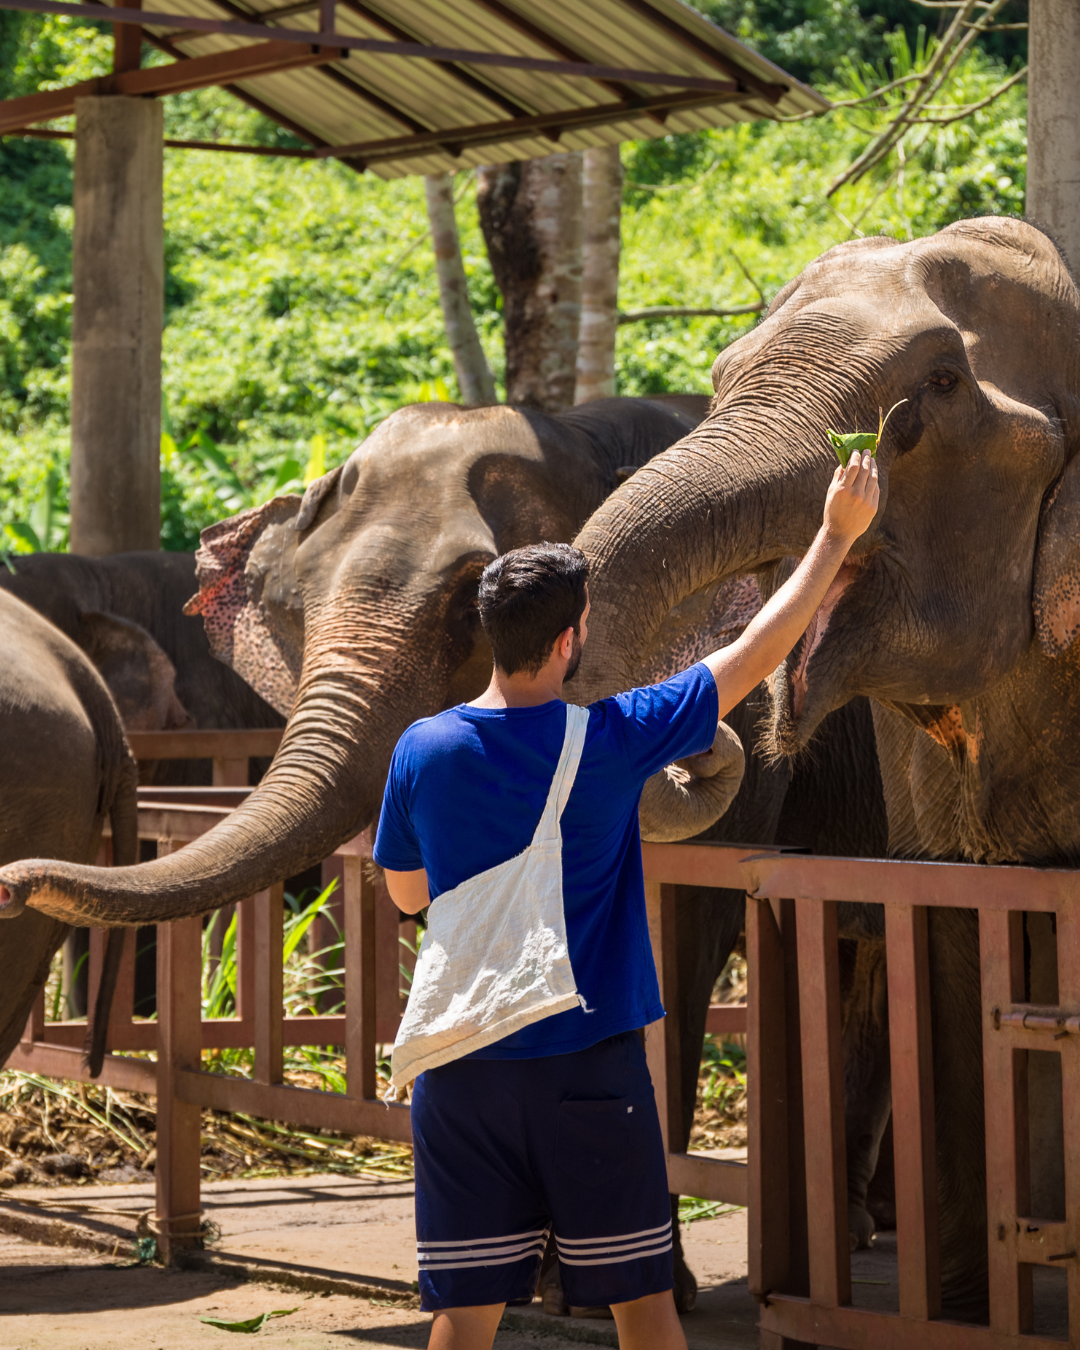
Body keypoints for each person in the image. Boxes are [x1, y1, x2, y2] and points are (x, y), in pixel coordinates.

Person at [373, 450, 880, 1350]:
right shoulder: (611, 738)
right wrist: (836, 536)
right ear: (571, 639)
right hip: (590, 1073)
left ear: (494, 632)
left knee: (465, 1314)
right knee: (641, 1305)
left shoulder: (423, 749)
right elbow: (756, 652)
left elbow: (408, 895)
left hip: (462, 1073)